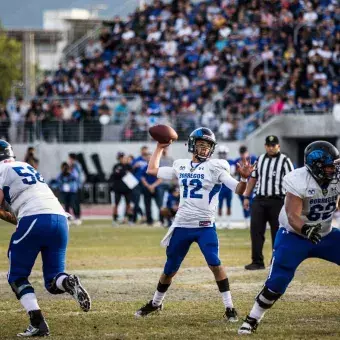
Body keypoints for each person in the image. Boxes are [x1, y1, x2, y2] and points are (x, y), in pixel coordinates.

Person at [135, 127, 255, 321]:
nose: (205, 149)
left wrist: (243, 177)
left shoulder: (217, 166)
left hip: (205, 226)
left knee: (215, 264)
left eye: (208, 146)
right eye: (201, 145)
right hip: (182, 225)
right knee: (170, 269)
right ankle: (155, 303)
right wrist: (159, 148)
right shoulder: (181, 165)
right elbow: (152, 170)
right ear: (192, 145)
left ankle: (229, 307)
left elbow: (239, 190)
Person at [238, 141, 340, 335]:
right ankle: (253, 318)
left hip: (325, 233)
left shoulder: (336, 175)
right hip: (294, 235)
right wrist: (306, 229)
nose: (333, 170)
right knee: (277, 282)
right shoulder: (298, 179)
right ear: (316, 166)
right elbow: (293, 216)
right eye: (328, 167)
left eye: (334, 166)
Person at [0, 140, 91, 337]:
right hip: (60, 218)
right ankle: (67, 282)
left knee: (16, 276)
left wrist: (13, 218)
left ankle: (38, 323)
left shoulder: (1, 170)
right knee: (53, 281)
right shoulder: (25, 165)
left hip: (33, 218)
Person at [242, 136, 294, 270]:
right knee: (256, 231)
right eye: (269, 145)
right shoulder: (260, 159)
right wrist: (246, 197)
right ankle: (257, 261)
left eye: (273, 145)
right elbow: (253, 179)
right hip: (259, 199)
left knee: (278, 233)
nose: (271, 147)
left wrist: (290, 202)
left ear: (278, 146)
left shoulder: (285, 161)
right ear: (265, 146)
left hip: (277, 200)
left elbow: (292, 182)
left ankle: (276, 261)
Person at [233, 145, 257, 228]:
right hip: (242, 184)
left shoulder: (253, 158)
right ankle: (247, 220)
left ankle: (252, 219)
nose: (243, 155)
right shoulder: (237, 161)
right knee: (243, 203)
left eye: (244, 153)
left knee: (251, 202)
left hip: (251, 185)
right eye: (242, 153)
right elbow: (234, 172)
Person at [108, 152, 133, 225]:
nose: (123, 159)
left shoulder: (129, 166)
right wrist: (123, 172)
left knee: (129, 204)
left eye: (124, 157)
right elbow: (115, 174)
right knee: (116, 204)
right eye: (122, 158)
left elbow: (131, 174)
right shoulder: (116, 166)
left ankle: (130, 219)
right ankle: (115, 219)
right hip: (118, 188)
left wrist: (122, 172)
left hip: (127, 188)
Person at [140, 152, 163, 226]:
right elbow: (142, 179)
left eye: (150, 157)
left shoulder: (157, 167)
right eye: (148, 158)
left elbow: (160, 179)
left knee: (159, 205)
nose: (149, 159)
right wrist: (149, 186)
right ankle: (149, 221)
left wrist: (152, 186)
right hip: (147, 188)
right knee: (147, 206)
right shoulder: (144, 168)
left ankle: (161, 220)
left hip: (156, 188)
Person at [131, 146, 149, 223]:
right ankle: (134, 218)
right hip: (137, 182)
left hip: (146, 183)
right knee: (136, 201)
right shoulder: (137, 160)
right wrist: (134, 166)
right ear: (141, 151)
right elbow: (130, 168)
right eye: (143, 150)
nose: (144, 152)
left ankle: (148, 219)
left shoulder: (149, 160)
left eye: (146, 150)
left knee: (147, 201)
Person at [217, 146, 233, 228]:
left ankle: (228, 222)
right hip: (220, 187)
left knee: (229, 205)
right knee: (219, 205)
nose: (222, 155)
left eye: (224, 153)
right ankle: (220, 222)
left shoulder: (230, 162)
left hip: (228, 187)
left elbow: (232, 174)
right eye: (221, 153)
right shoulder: (216, 162)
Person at [68, 153, 84, 225]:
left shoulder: (75, 165)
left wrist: (69, 172)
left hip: (76, 187)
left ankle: (77, 217)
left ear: (72, 158)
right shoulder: (76, 165)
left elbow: (76, 176)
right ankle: (77, 217)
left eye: (69, 158)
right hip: (75, 187)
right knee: (75, 203)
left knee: (75, 203)